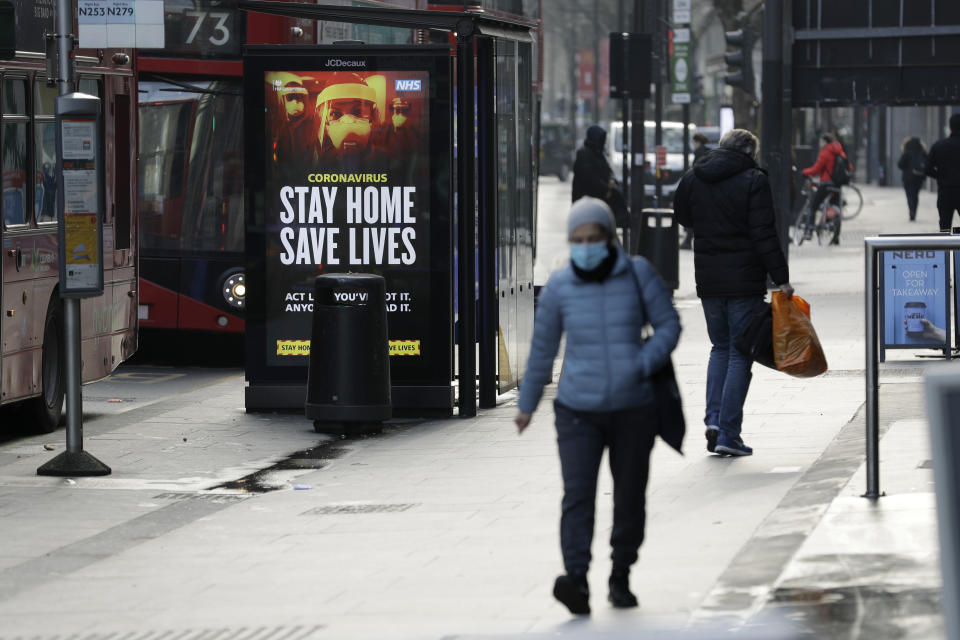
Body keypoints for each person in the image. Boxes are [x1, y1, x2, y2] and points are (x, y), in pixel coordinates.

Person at [514, 197, 681, 615]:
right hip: (576, 409)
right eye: (578, 240)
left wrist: (641, 364)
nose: (586, 246)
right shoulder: (560, 287)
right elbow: (543, 349)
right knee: (577, 496)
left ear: (609, 238)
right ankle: (576, 580)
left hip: (633, 407)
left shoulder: (638, 273)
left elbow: (669, 325)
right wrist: (527, 402)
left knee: (629, 498)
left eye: (593, 238)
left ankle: (620, 574)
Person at [674, 129, 793, 457]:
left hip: (709, 280)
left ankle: (713, 420)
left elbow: (682, 215)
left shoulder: (694, 176)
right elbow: (764, 234)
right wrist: (781, 278)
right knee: (741, 352)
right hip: (744, 281)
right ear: (748, 152)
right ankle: (728, 433)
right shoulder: (754, 180)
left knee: (720, 347)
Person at [572, 125, 627, 228]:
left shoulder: (599, 154)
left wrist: (612, 180)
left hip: (598, 205)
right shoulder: (584, 154)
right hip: (587, 206)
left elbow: (608, 171)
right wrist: (606, 190)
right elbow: (589, 179)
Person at [800, 133, 849, 245]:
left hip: (826, 184)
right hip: (837, 185)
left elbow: (816, 169)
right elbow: (849, 166)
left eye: (821, 142)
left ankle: (809, 230)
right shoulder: (839, 151)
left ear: (826, 142)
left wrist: (804, 172)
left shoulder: (825, 152)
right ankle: (836, 237)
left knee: (813, 206)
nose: (820, 144)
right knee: (836, 209)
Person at [925, 113, 960, 231]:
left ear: (950, 127)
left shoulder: (939, 146)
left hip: (945, 192)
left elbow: (927, 169)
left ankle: (946, 247)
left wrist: (940, 176)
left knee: (944, 228)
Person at [679, 132, 712, 250]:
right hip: (707, 188)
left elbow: (695, 170)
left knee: (692, 214)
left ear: (696, 141)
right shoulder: (709, 151)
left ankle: (688, 241)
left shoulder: (698, 152)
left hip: (698, 188)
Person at [897, 137, 928, 222]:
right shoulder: (922, 152)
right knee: (915, 195)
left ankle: (912, 211)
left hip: (907, 178)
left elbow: (900, 164)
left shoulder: (906, 152)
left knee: (909, 195)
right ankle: (914, 211)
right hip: (919, 177)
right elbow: (928, 163)